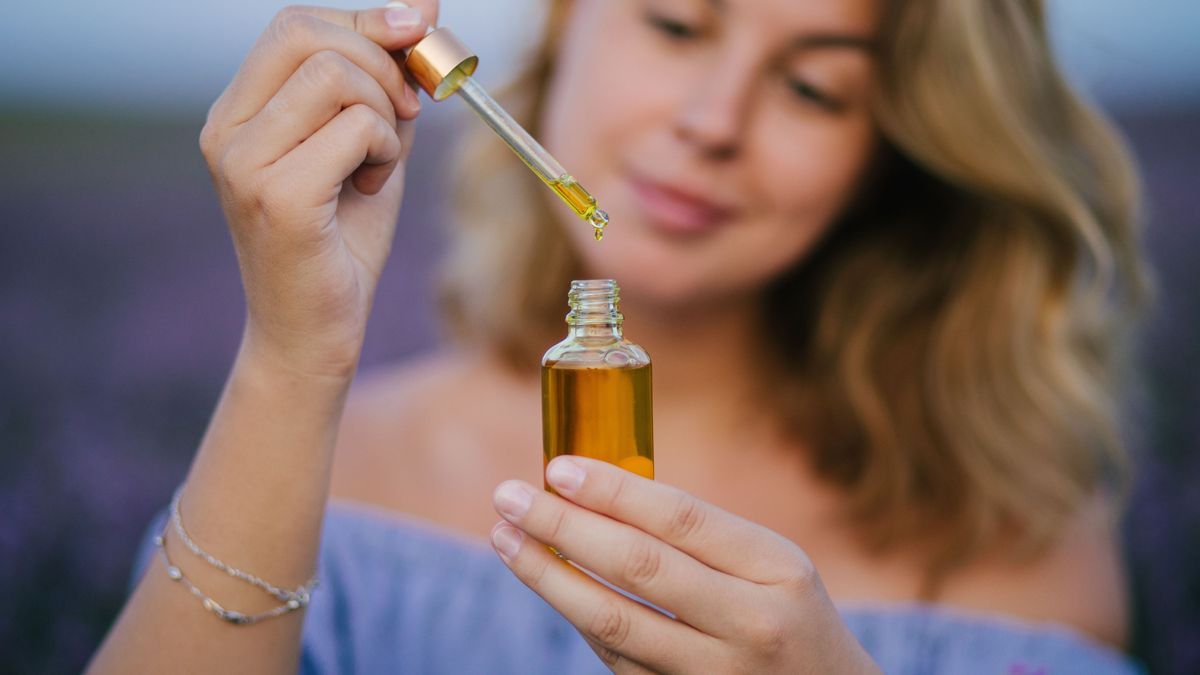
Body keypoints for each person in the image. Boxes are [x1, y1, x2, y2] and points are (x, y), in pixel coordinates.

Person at [88, 0, 1150, 672]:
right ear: (563, 30)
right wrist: (292, 356)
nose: (711, 120)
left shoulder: (1017, 541)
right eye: (678, 26)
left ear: (898, 150)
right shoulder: (327, 468)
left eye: (816, 85)